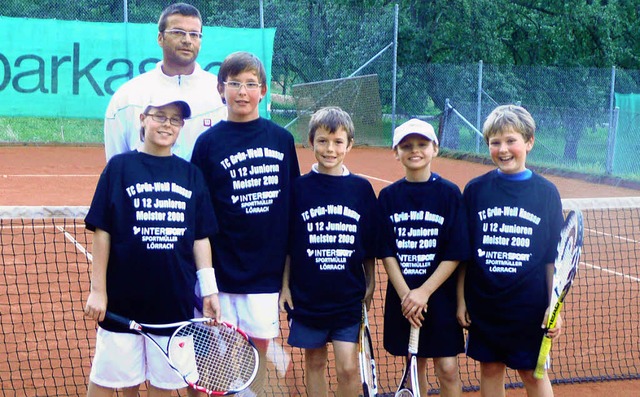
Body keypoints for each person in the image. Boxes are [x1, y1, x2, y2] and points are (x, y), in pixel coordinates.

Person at [84, 92, 221, 397]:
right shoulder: (119, 168)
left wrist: (209, 289)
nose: (167, 124)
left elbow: (200, 237)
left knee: (164, 387)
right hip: (122, 303)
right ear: (142, 119)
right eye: (160, 116)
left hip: (173, 302)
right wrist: (98, 291)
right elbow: (102, 230)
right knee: (105, 384)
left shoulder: (191, 175)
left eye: (175, 119)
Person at [191, 51, 300, 396]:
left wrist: (287, 277)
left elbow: (291, 203)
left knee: (259, 351)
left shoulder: (281, 140)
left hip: (265, 273)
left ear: (264, 91)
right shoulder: (207, 143)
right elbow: (199, 211)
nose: (242, 91)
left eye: (251, 84)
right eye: (234, 83)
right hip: (221, 270)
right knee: (214, 357)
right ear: (220, 89)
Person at [457, 105, 564, 397]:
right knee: (490, 369)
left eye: (511, 141)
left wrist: (554, 308)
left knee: (532, 373)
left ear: (529, 142)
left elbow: (552, 260)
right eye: (495, 142)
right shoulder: (476, 190)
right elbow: (465, 253)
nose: (503, 149)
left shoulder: (546, 193)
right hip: (485, 302)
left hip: (528, 306)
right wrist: (461, 300)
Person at [279, 107, 377, 396]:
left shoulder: (360, 189)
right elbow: (289, 243)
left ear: (349, 145)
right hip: (307, 295)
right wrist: (284, 286)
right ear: (311, 143)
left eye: (337, 142)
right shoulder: (298, 188)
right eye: (322, 141)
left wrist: (370, 283)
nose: (330, 149)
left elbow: (369, 244)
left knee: (348, 367)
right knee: (315, 362)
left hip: (348, 296)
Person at [377, 118, 470, 397]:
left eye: (422, 144)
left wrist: (424, 292)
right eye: (406, 146)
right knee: (413, 368)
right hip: (404, 298)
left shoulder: (450, 194)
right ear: (396, 152)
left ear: (435, 149)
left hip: (439, 297)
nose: (414, 150)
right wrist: (408, 295)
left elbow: (455, 252)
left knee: (448, 368)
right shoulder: (389, 196)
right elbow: (386, 251)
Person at [104, 2, 226, 162]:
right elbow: (117, 169)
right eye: (178, 32)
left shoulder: (221, 95)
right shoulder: (127, 97)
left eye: (194, 34)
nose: (187, 40)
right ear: (160, 38)